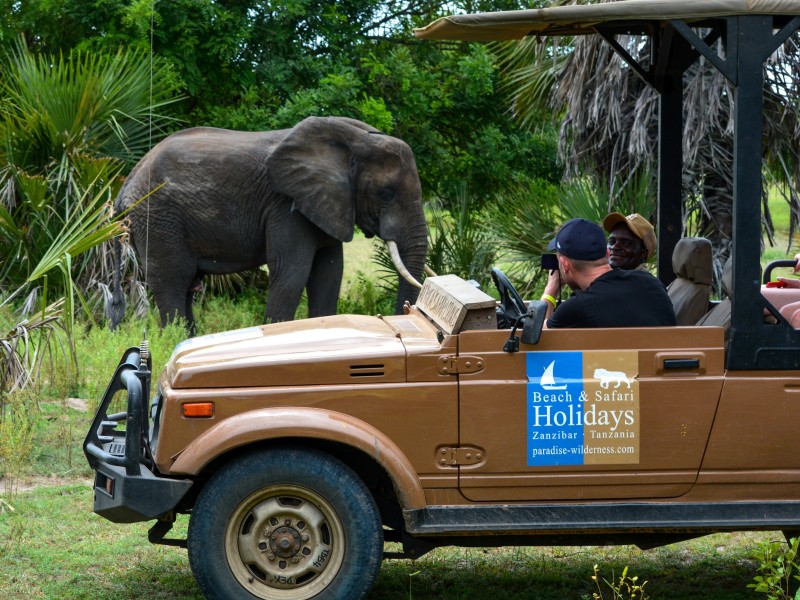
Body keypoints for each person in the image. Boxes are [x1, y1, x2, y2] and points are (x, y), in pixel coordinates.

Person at [542, 218, 677, 328]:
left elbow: (536, 337)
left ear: (565, 264)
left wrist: (551, 288)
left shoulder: (578, 307)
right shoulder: (652, 283)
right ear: (607, 253)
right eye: (612, 242)